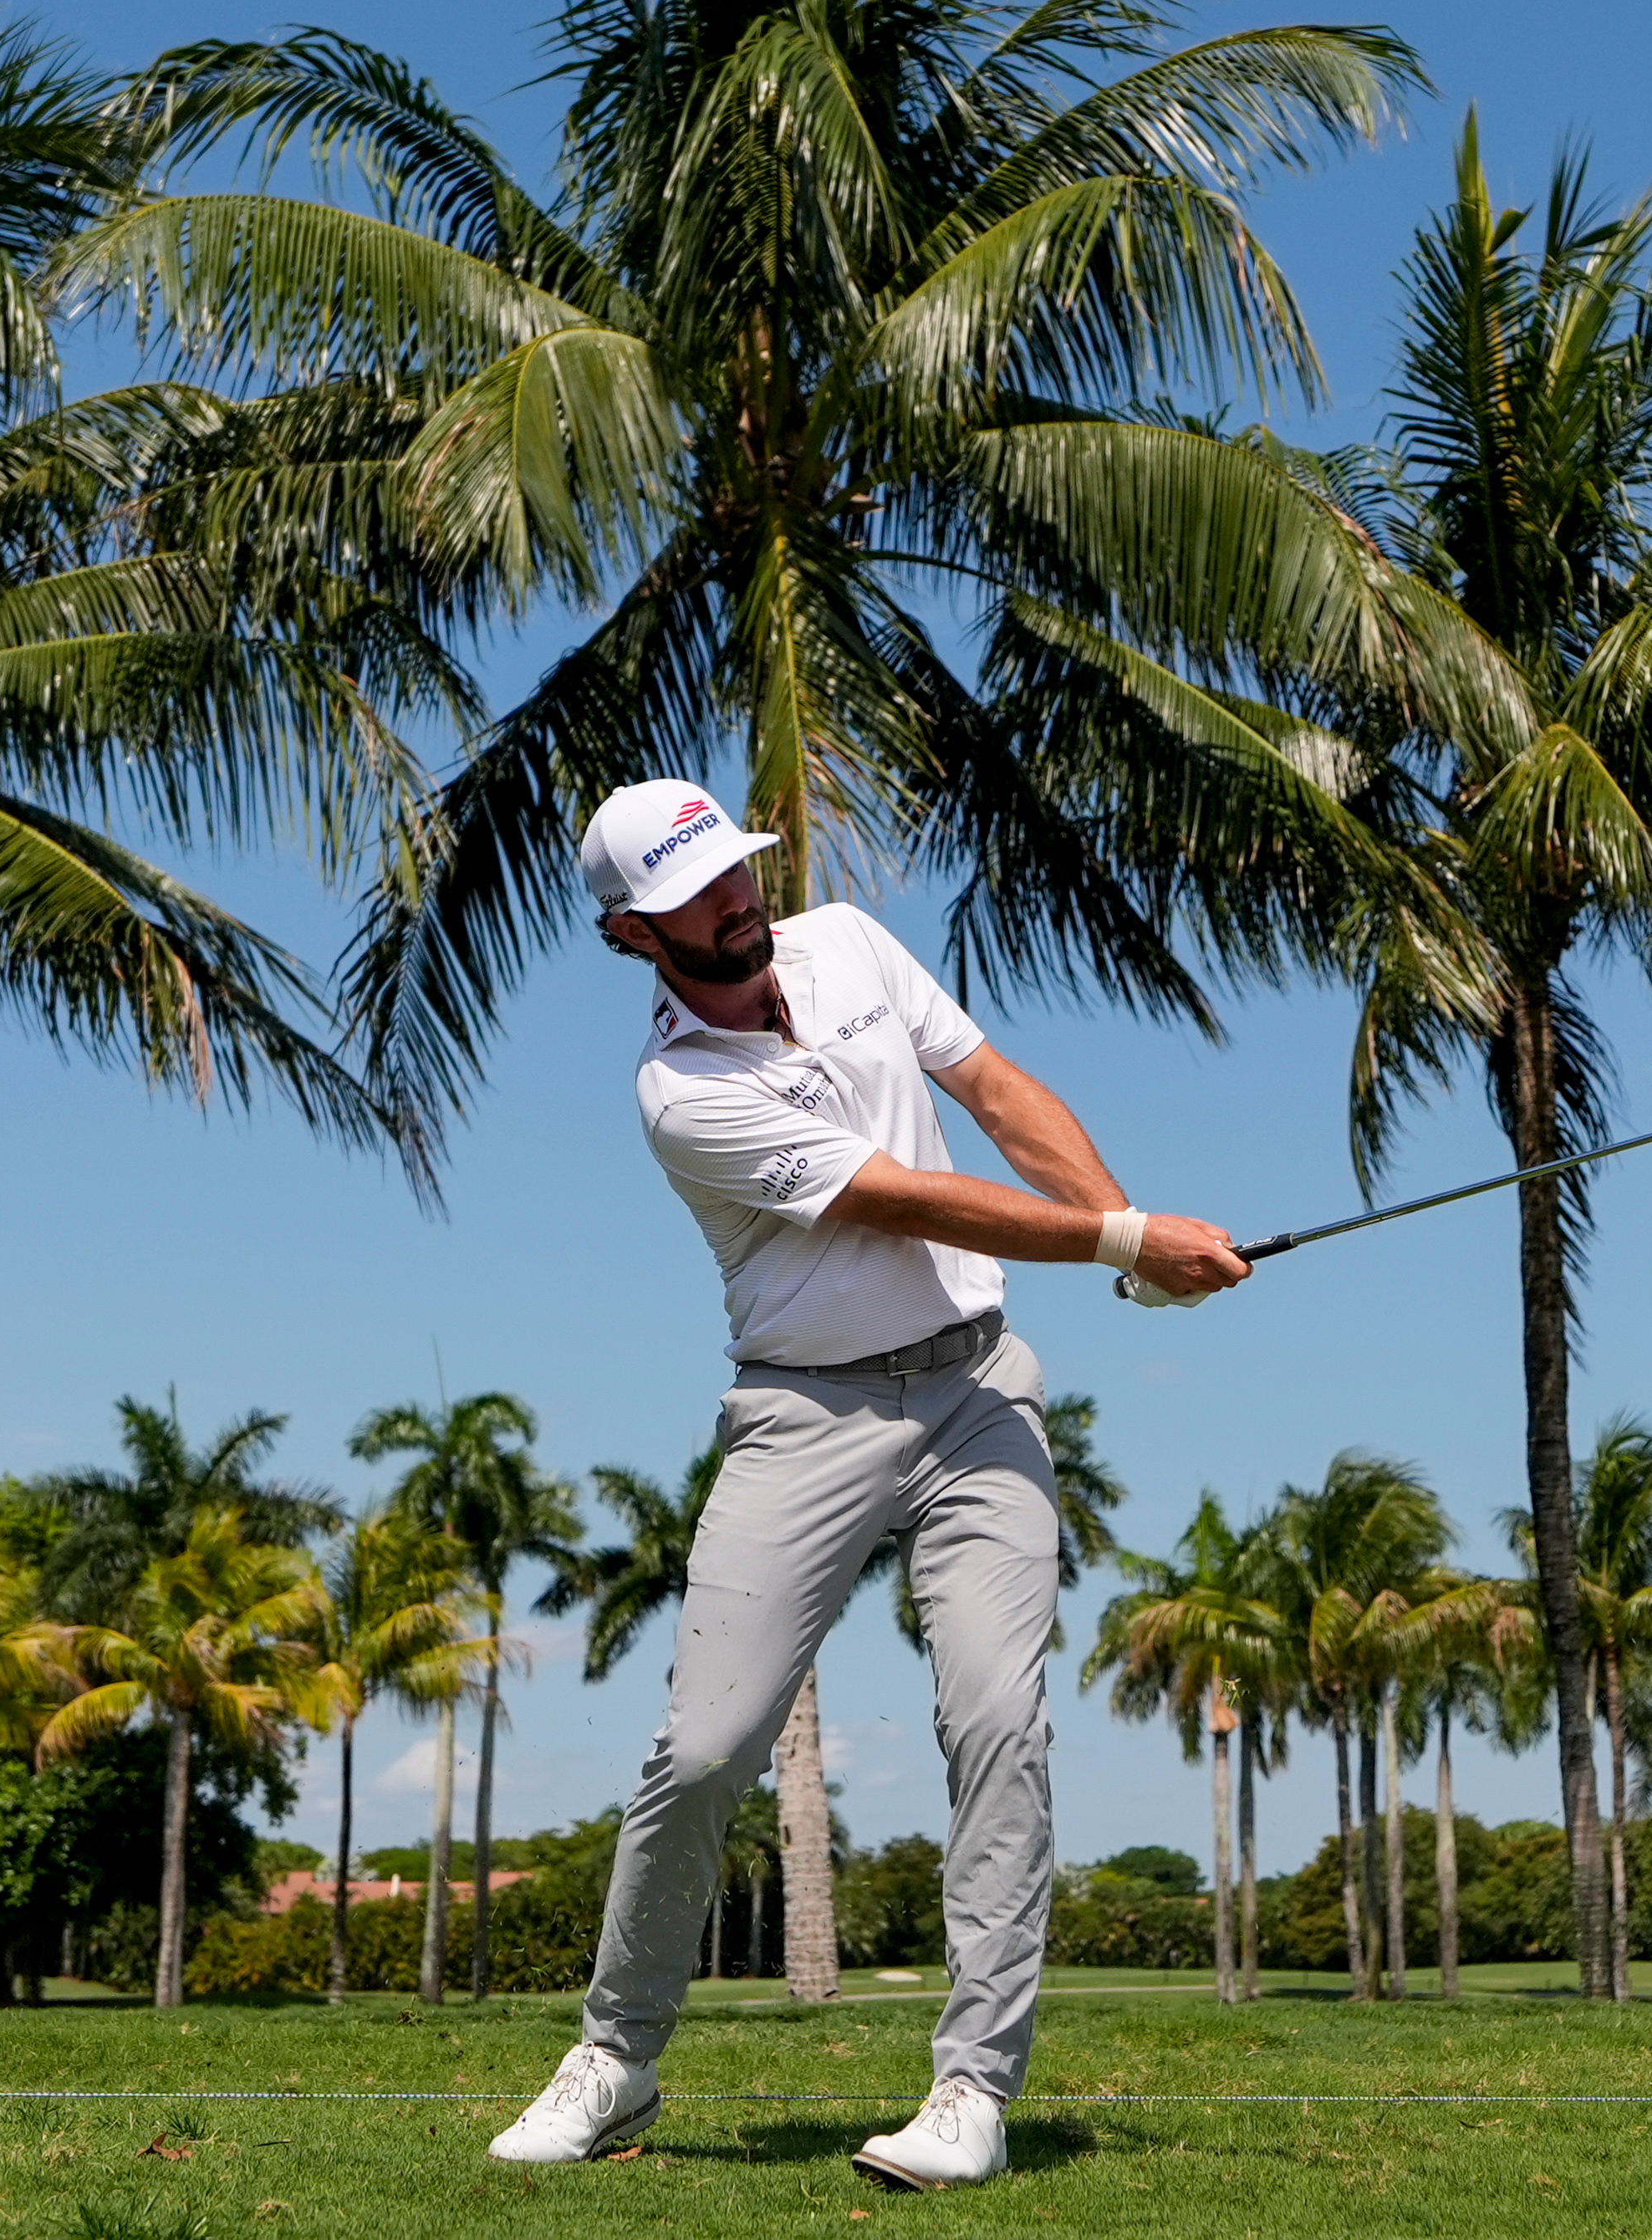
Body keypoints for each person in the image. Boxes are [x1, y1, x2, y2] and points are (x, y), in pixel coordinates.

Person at [486, 781, 1247, 2189]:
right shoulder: (680, 1097)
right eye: (694, 898)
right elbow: (896, 1194)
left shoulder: (848, 943)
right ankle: (616, 2056)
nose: (735, 904)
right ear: (630, 936)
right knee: (705, 1750)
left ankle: (971, 2093)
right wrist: (1127, 1236)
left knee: (998, 1721)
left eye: (734, 873)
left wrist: (1126, 1241)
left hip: (977, 1389)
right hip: (806, 1416)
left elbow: (1000, 1095)